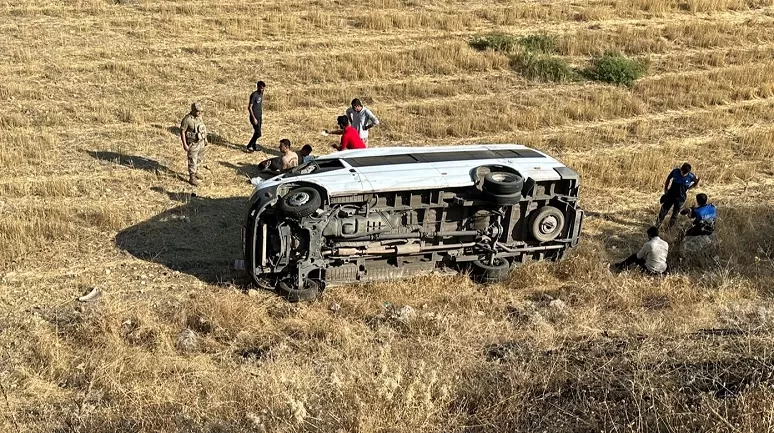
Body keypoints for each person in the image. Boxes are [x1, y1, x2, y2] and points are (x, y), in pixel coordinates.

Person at [656, 162, 700, 228]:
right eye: (682, 173)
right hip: (671, 195)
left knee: (675, 214)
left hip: (680, 198)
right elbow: (668, 178)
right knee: (663, 210)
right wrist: (666, 189)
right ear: (681, 170)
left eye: (685, 174)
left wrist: (689, 188)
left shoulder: (691, 176)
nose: (683, 175)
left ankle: (668, 228)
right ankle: (657, 225)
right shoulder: (675, 172)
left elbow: (696, 181)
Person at [180, 102, 207, 186]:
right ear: (193, 110)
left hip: (201, 142)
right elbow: (182, 131)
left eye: (200, 111)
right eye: (198, 111)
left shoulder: (200, 117)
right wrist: (185, 144)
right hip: (193, 143)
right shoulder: (187, 120)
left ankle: (196, 171)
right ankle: (192, 177)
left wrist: (205, 140)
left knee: (199, 158)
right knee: (192, 160)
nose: (200, 113)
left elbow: (202, 128)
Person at [246, 81, 266, 153]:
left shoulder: (261, 94)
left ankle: (254, 145)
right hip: (254, 117)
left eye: (263, 88)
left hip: (259, 116)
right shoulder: (254, 95)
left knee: (257, 132)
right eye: (261, 88)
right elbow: (249, 107)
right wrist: (253, 118)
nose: (262, 90)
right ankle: (249, 146)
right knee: (258, 133)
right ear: (257, 87)